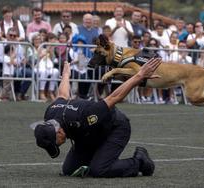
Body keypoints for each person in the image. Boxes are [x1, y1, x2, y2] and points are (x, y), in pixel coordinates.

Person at [33, 57, 162, 178]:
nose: (56, 146)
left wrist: (139, 76)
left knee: (99, 170)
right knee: (69, 170)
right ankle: (98, 159)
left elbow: (114, 97)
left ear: (59, 132)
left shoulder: (85, 116)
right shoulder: (50, 113)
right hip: (88, 133)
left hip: (115, 128)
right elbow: (62, 94)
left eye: (55, 143)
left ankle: (140, 161)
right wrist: (66, 75)